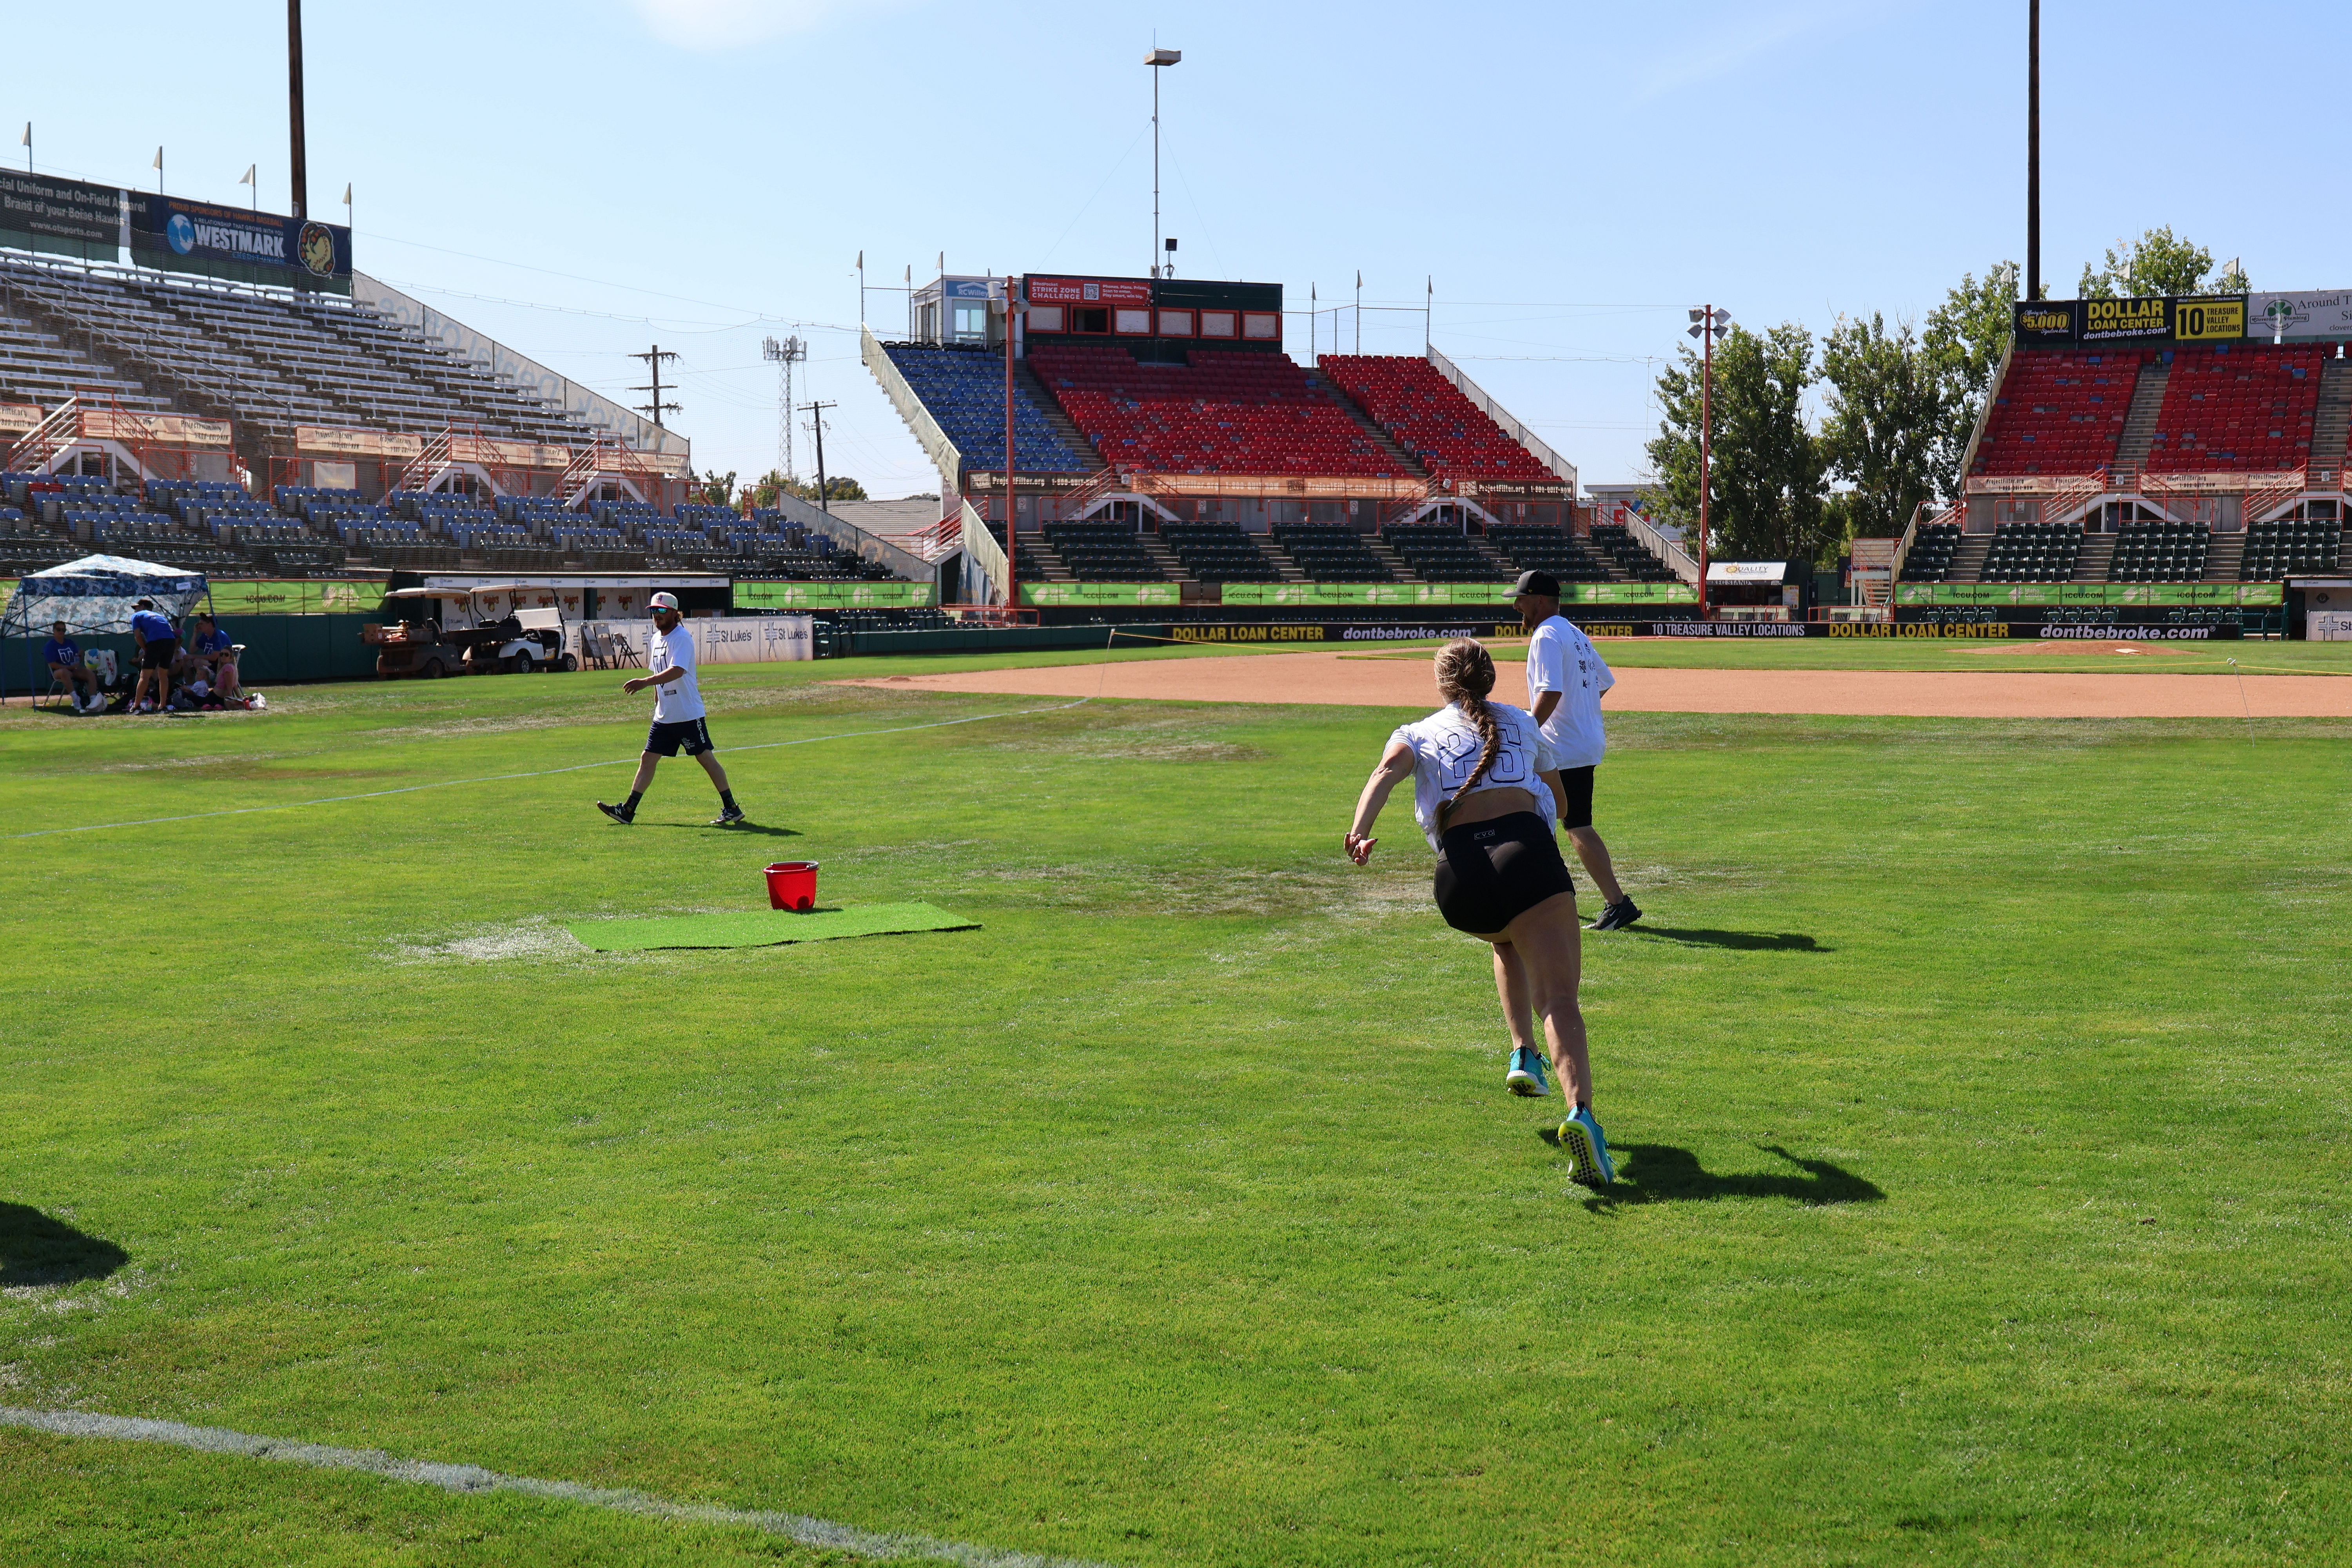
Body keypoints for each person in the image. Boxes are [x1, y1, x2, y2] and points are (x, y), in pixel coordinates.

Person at [1344, 638, 1615, 1186]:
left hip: (1459, 881)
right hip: (1526, 859)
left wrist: (1359, 833)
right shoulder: (1521, 721)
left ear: (1442, 683)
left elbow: (1384, 773)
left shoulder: (1416, 731)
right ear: (1491, 679)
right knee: (1559, 999)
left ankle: (1523, 1054)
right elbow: (1562, 805)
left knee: (1506, 934)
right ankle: (1582, 1114)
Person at [1514, 570, 1642, 935]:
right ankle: (1560, 896)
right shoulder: (1573, 632)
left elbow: (1550, 691)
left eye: (1521, 599)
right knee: (1553, 818)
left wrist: (1527, 732)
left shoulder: (1546, 634)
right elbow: (1603, 681)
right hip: (1581, 742)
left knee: (1561, 821)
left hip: (1560, 747)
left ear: (1540, 600)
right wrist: (1578, 710)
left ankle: (1607, 902)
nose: (1517, 606)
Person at [597, 592, 748, 827]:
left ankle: (732, 808)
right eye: (653, 611)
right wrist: (657, 702)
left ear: (675, 613)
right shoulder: (656, 639)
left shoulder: (682, 638)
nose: (656, 615)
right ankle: (628, 810)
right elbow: (659, 672)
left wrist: (645, 682)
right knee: (648, 759)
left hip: (687, 714)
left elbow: (677, 670)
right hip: (665, 717)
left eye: (661, 611)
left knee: (705, 758)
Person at [128, 598, 178, 715]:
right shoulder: (160, 616)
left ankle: (135, 707)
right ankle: (162, 707)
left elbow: (138, 636)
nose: (135, 611)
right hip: (171, 641)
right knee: (163, 675)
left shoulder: (137, 616)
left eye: (137, 608)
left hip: (156, 642)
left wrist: (146, 649)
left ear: (142, 607)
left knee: (144, 676)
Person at [43, 621, 104, 713]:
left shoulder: (70, 643)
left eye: (63, 630)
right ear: (54, 631)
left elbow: (77, 659)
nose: (61, 632)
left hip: (73, 670)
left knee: (89, 673)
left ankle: (93, 700)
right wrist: (69, 667)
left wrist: (79, 656)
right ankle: (76, 698)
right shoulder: (50, 646)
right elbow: (52, 664)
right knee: (64, 672)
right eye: (59, 629)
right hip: (58, 672)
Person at [185, 613, 242, 702]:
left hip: (218, 668)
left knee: (197, 661)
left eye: (202, 624)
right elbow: (192, 650)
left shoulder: (220, 636)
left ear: (210, 625)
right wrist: (195, 633)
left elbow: (214, 657)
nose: (199, 626)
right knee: (186, 661)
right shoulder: (205, 636)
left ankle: (202, 689)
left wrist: (193, 657)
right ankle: (190, 688)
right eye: (199, 624)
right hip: (208, 666)